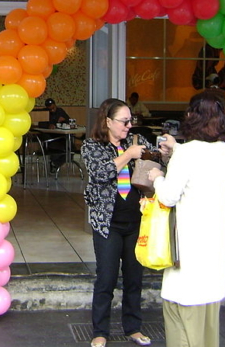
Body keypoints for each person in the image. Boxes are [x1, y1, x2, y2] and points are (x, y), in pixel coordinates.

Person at [147, 90, 225, 347]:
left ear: (191, 117)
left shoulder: (186, 154)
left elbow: (169, 196)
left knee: (181, 319)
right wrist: (176, 149)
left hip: (189, 247)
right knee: (207, 325)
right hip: (214, 249)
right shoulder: (223, 151)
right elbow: (199, 165)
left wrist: (156, 177)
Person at [81, 98, 160, 347]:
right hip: (108, 223)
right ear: (108, 121)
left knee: (134, 278)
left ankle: (133, 327)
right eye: (124, 121)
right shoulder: (92, 146)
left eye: (130, 121)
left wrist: (163, 153)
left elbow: (157, 162)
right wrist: (128, 155)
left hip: (136, 221)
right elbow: (101, 172)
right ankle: (100, 332)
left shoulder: (136, 142)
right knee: (106, 278)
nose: (128, 126)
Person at [44, 98, 71, 172]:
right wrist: (48, 125)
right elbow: (41, 123)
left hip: (62, 136)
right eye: (50, 109)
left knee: (70, 147)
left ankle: (56, 163)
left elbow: (69, 120)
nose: (52, 110)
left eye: (53, 108)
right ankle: (55, 163)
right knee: (57, 148)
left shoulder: (60, 111)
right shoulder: (44, 113)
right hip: (51, 138)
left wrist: (64, 120)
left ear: (55, 105)